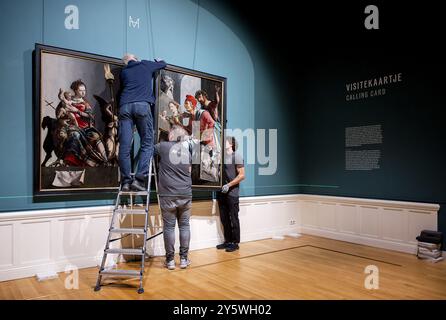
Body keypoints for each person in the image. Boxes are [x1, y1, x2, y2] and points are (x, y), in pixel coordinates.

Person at [118, 53, 166, 192]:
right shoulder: (144, 64)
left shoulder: (124, 72)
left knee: (125, 147)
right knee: (147, 143)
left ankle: (126, 182)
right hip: (141, 105)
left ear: (126, 62)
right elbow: (163, 64)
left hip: (125, 106)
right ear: (136, 59)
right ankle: (139, 180)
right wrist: (159, 60)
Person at [154, 125, 193, 270]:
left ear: (171, 136)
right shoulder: (186, 152)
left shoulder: (163, 146)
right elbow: (189, 170)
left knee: (169, 227)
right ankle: (183, 259)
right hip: (185, 193)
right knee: (184, 226)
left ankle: (170, 261)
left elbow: (149, 150)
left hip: (168, 194)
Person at [216, 136, 245, 252]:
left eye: (226, 142)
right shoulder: (222, 157)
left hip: (232, 193)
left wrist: (229, 185)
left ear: (231, 144)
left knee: (233, 218)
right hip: (221, 193)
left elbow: (242, 175)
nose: (223, 143)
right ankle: (227, 241)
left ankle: (235, 242)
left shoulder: (236, 156)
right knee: (224, 218)